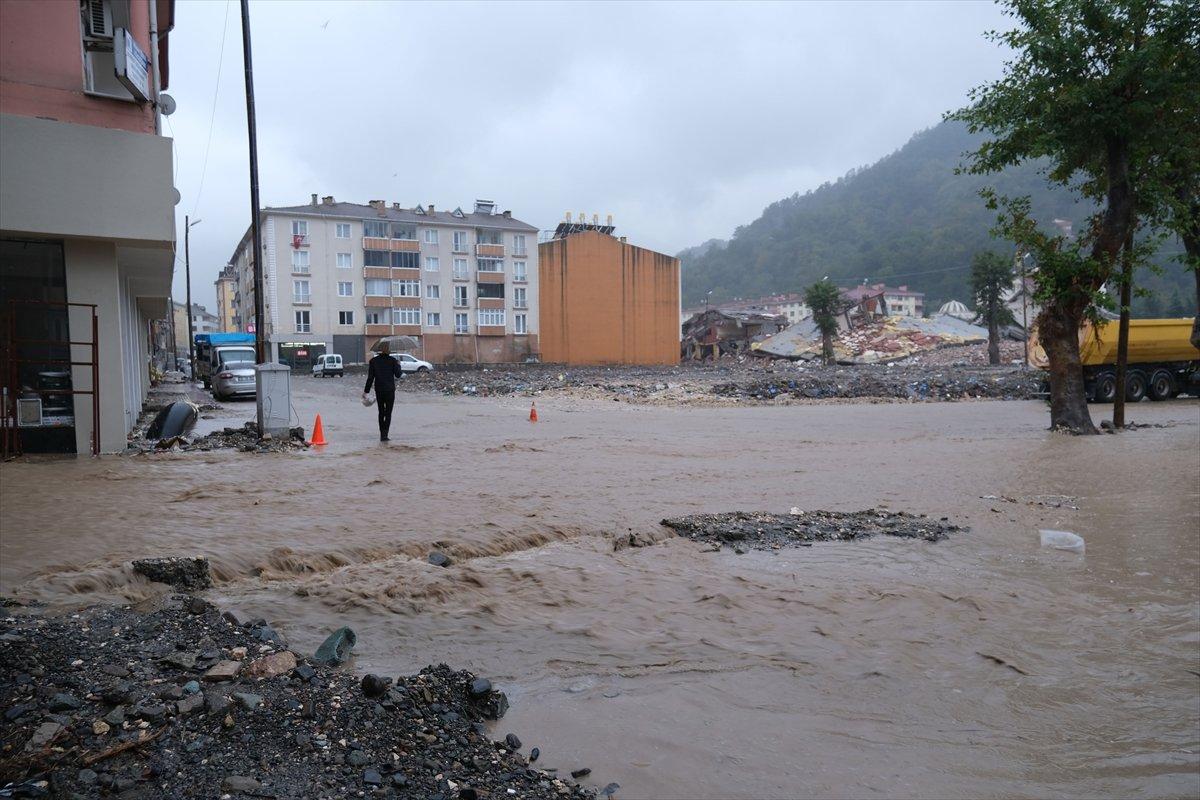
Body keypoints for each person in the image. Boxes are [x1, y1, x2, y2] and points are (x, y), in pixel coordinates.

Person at [364, 342, 403, 441]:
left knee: (381, 412)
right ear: (388, 350)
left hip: (379, 390)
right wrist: (398, 365)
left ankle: (382, 435)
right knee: (388, 413)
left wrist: (366, 391)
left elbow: (370, 378)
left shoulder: (373, 361)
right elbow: (398, 375)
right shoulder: (393, 361)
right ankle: (385, 435)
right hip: (390, 390)